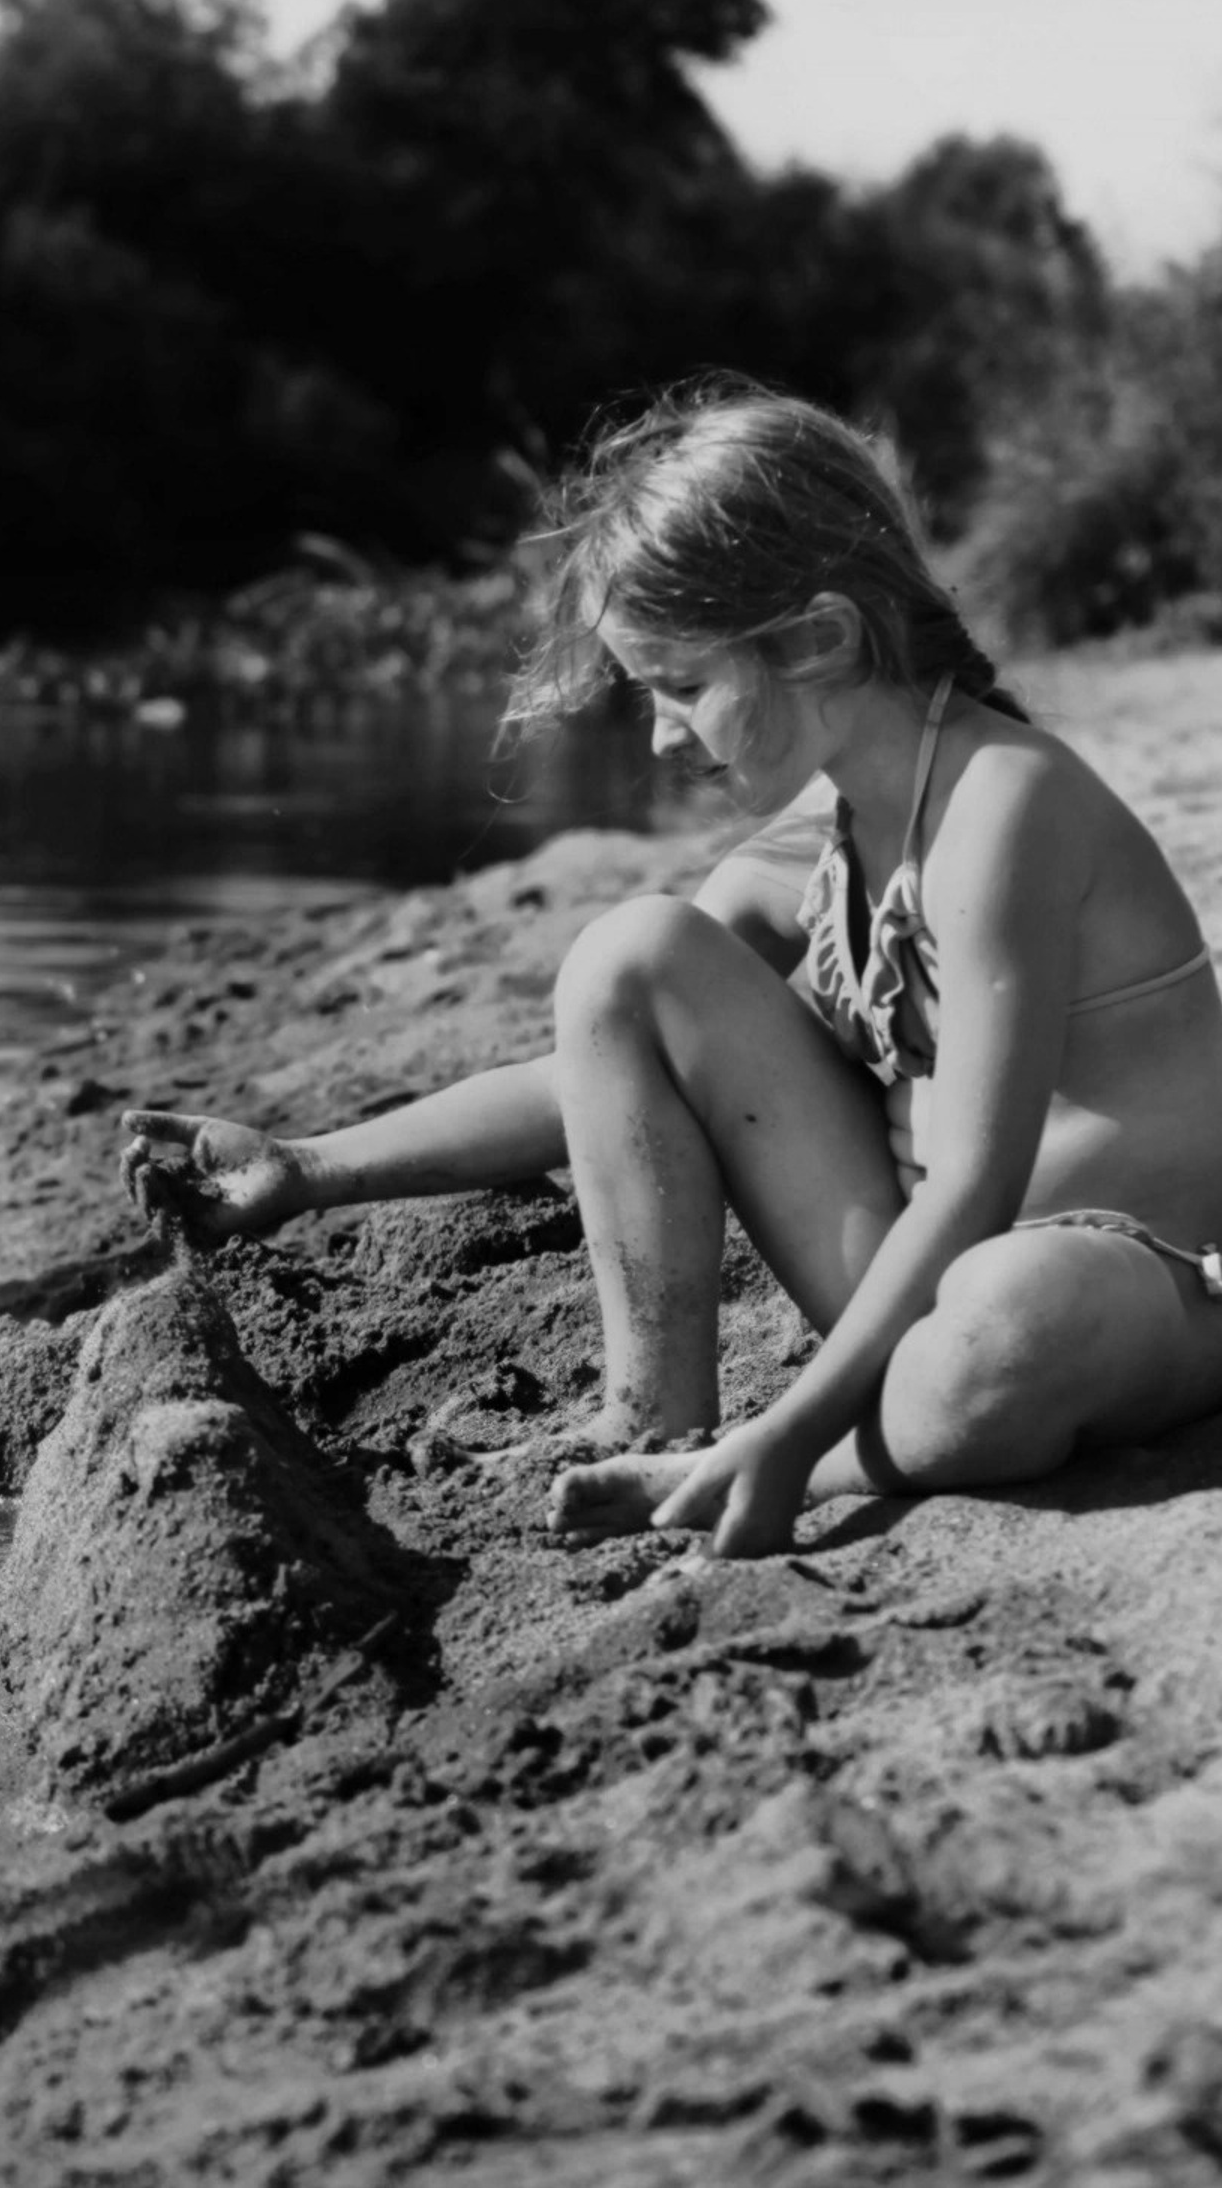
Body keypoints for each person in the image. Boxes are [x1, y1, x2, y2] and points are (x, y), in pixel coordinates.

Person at [122, 383, 1222, 1559]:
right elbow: (603, 1068)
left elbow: (974, 1192)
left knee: (1003, 1330)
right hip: (910, 1291)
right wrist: (305, 1167)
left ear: (818, 639)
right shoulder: (831, 835)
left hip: (1129, 1289)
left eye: (683, 688)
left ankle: (774, 1457)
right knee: (628, 954)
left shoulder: (1005, 806)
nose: (659, 738)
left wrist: (791, 1435)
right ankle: (651, 1412)